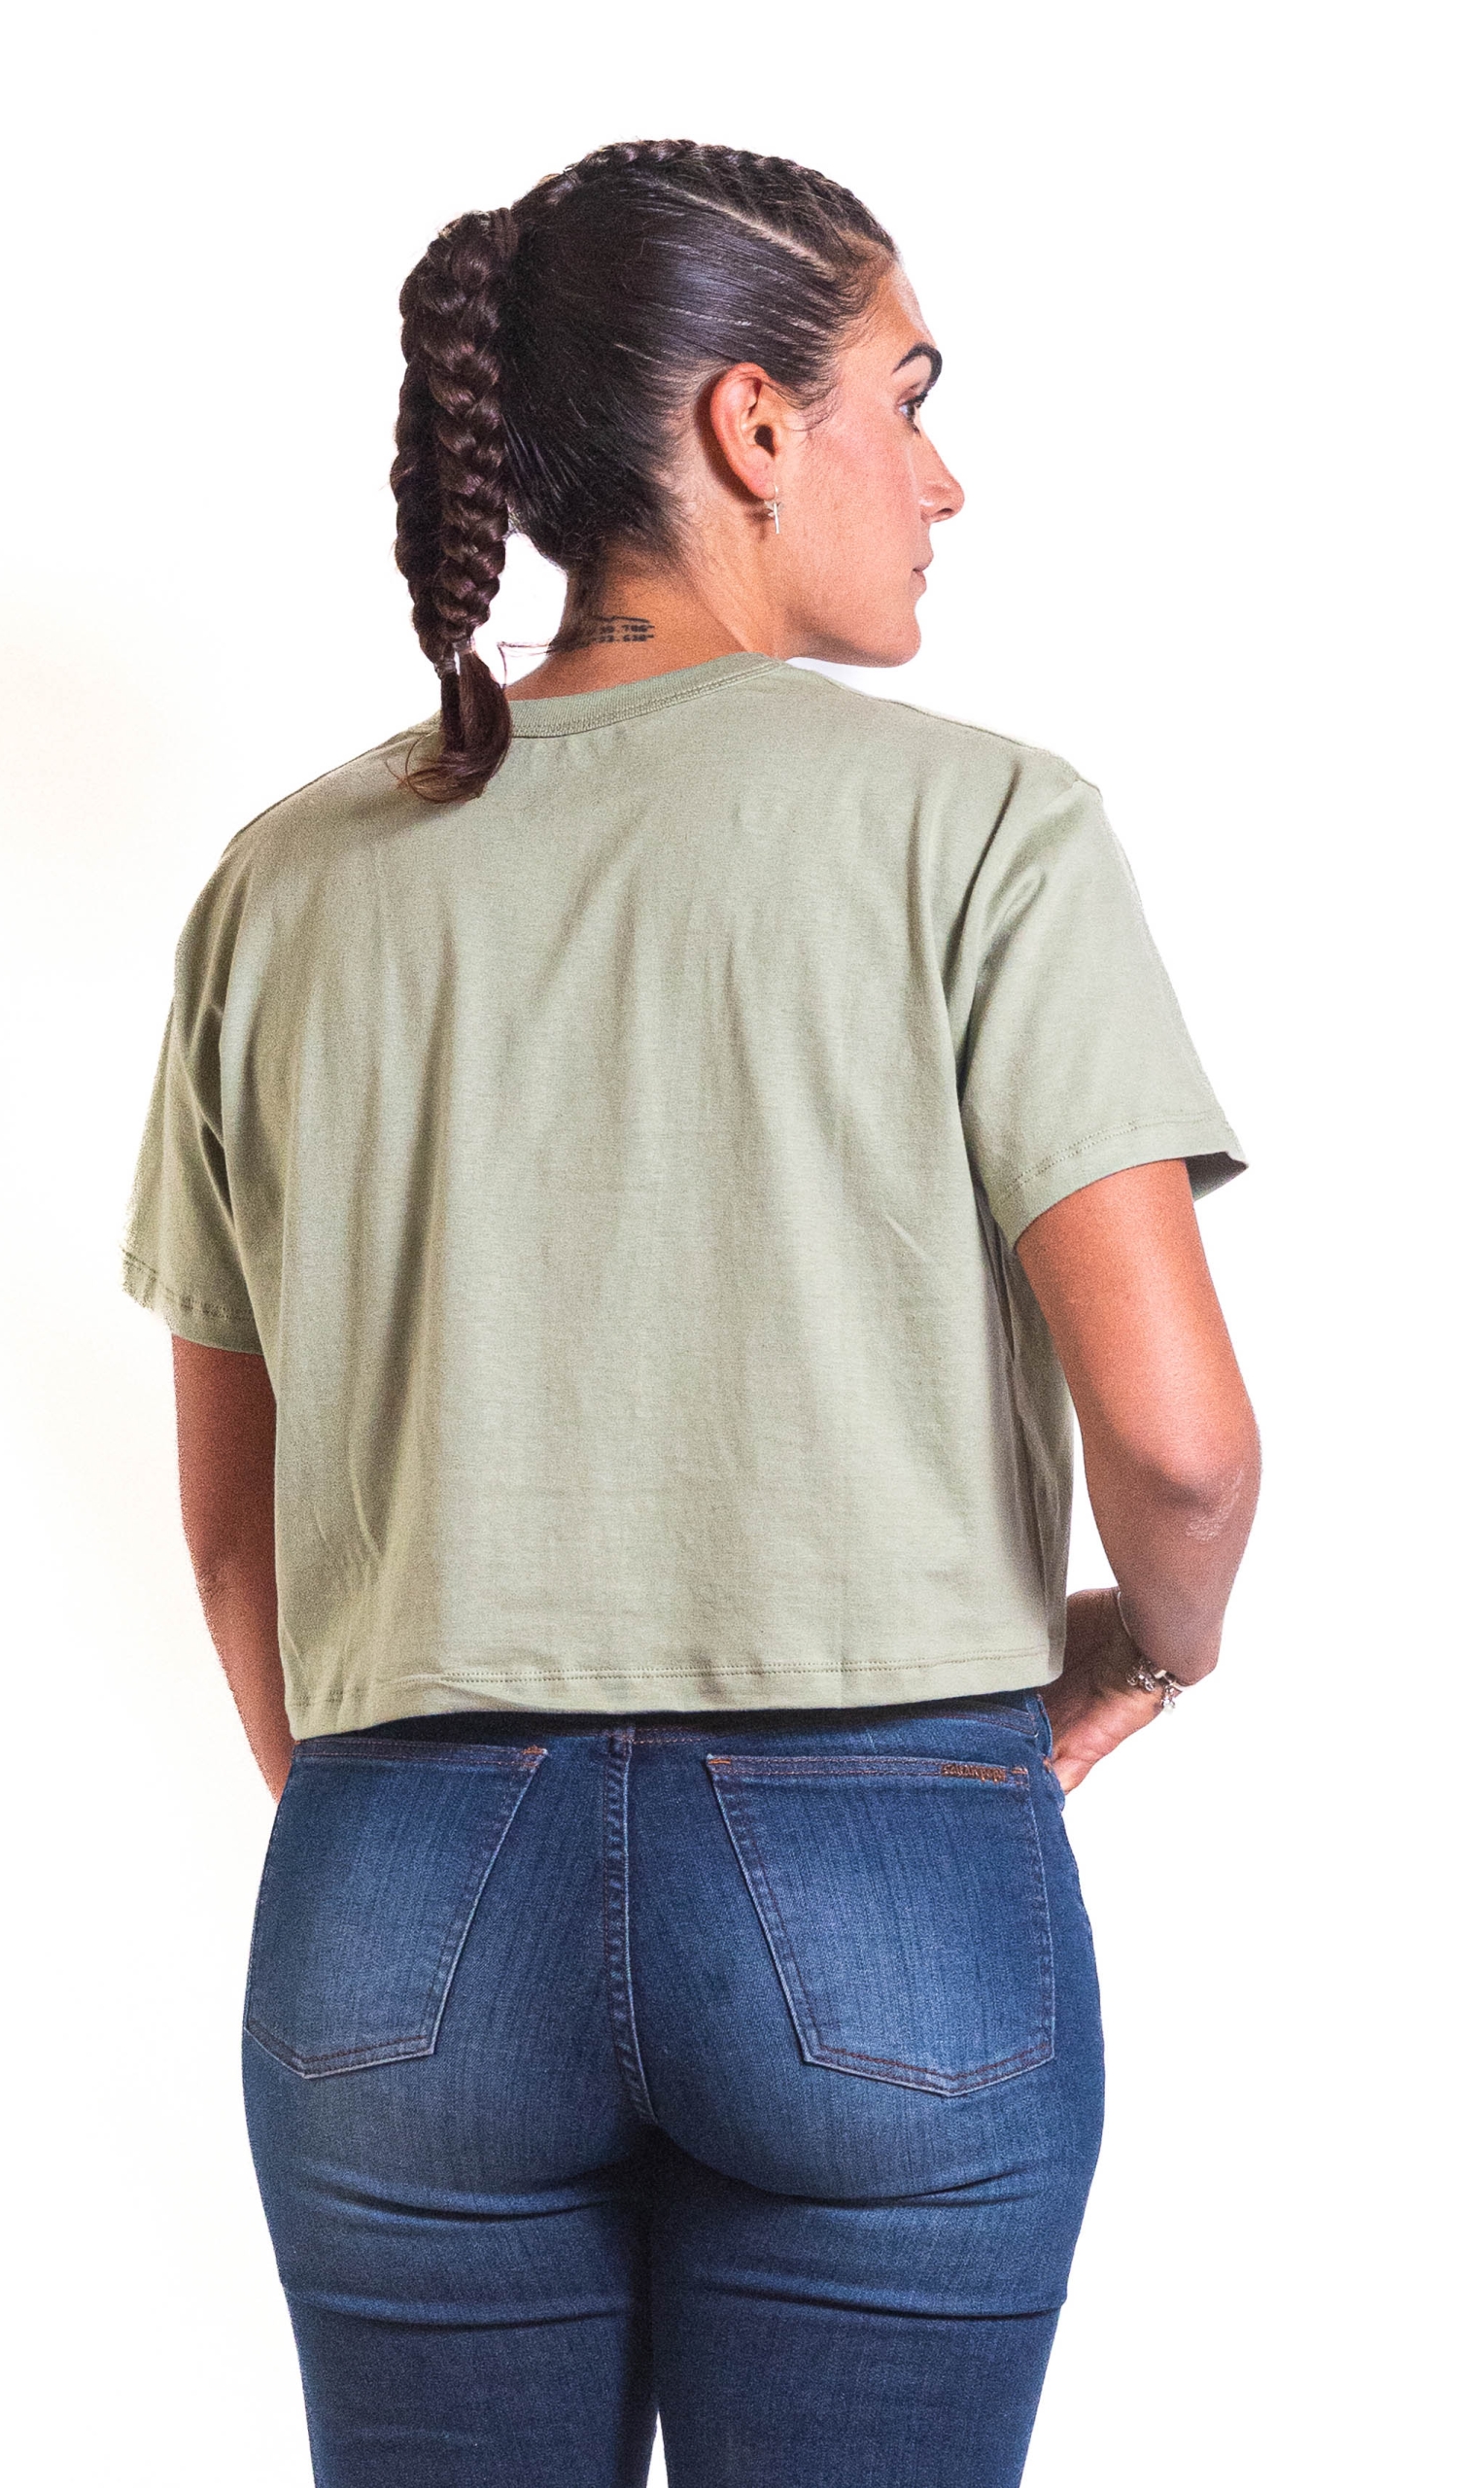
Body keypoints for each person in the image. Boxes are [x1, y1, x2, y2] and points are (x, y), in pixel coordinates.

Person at [123, 139, 1260, 2488]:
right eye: (907, 398)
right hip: (888, 1867)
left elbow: (238, 1533)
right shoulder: (986, 830)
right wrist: (1148, 1653)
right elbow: (1180, 1446)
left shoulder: (286, 882)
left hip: (401, 1878)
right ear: (754, 425)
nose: (943, 477)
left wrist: (409, 1835)